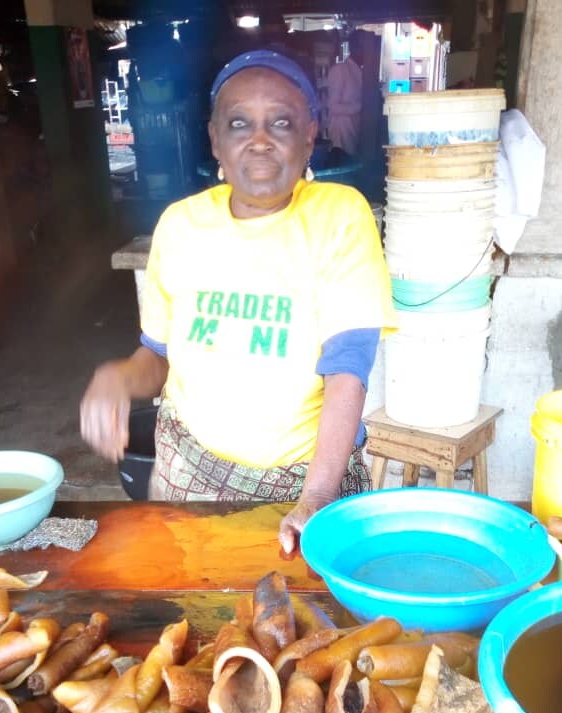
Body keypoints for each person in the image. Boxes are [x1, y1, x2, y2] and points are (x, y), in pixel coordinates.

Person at [80, 49, 395, 552]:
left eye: (282, 122)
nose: (261, 141)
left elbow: (348, 368)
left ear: (310, 135)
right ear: (215, 140)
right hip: (185, 476)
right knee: (190, 615)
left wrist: (315, 496)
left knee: (297, 626)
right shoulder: (180, 226)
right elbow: (158, 356)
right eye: (240, 123)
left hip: (299, 491)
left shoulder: (340, 217)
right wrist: (119, 377)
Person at [326, 32, 363, 157]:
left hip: (354, 134)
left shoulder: (361, 71)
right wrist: (361, 107)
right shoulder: (340, 70)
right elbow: (333, 106)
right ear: (354, 47)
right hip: (340, 137)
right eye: (363, 46)